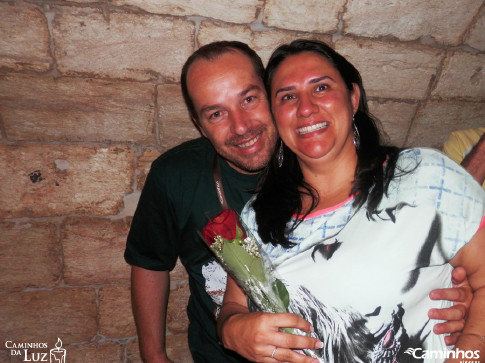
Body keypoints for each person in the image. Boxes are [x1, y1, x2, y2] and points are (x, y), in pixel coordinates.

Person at [125, 41, 474, 363]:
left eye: (249, 99)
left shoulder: (411, 173)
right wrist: (219, 333)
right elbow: (153, 263)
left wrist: (466, 323)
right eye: (216, 113)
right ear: (200, 125)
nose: (241, 125)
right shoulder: (199, 186)